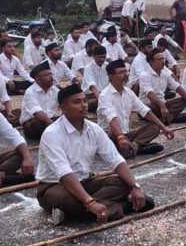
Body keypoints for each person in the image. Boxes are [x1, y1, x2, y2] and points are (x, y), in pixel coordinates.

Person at [38, 87, 154, 227]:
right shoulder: (52, 133)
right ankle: (123, 207)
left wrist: (135, 186)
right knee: (67, 199)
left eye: (85, 101)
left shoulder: (93, 129)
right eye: (77, 102)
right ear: (63, 107)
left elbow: (115, 160)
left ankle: (74, 212)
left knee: (124, 183)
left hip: (85, 182)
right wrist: (90, 202)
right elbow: (64, 173)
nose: (84, 105)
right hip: (54, 186)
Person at [98, 59, 174, 158]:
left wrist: (163, 128)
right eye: (121, 72)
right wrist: (120, 137)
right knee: (114, 134)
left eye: (125, 71)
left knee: (154, 128)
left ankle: (134, 146)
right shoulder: (105, 95)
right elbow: (112, 118)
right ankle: (136, 149)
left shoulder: (128, 92)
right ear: (111, 77)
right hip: (110, 136)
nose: (125, 74)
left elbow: (144, 110)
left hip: (125, 134)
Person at [22, 61, 59, 140]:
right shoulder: (30, 92)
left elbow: (65, 102)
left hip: (50, 120)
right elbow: (37, 113)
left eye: (51, 74)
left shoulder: (54, 89)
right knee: (39, 125)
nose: (51, 78)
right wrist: (55, 126)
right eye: (47, 75)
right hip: (33, 123)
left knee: (74, 117)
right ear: (38, 78)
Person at [81, 46, 109, 112]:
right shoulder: (88, 68)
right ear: (93, 56)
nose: (102, 59)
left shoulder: (108, 66)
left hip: (104, 94)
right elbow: (93, 87)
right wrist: (102, 101)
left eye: (104, 57)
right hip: (90, 96)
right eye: (99, 57)